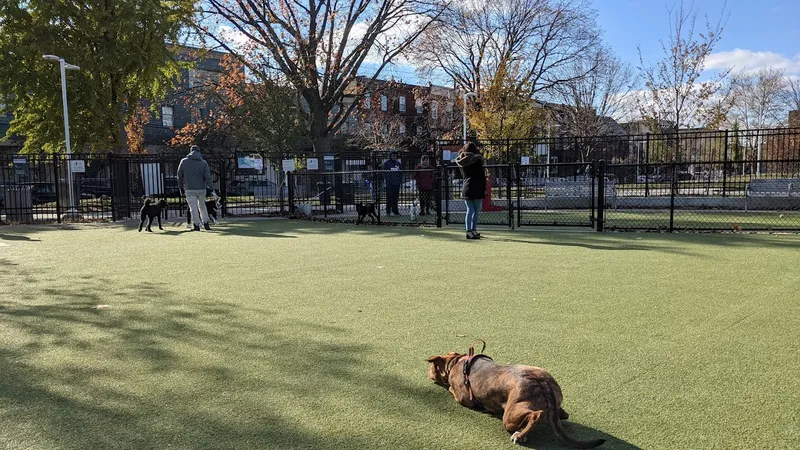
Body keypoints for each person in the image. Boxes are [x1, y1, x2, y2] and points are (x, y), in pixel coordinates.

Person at [177, 144, 214, 231]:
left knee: (193, 207)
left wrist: (181, 187)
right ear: (199, 152)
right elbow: (207, 177)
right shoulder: (203, 162)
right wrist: (210, 188)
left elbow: (179, 176)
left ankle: (196, 225)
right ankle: (206, 223)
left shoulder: (184, 161)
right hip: (201, 188)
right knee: (202, 206)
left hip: (189, 188)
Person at [455, 142, 486, 239]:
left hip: (467, 187)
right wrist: (484, 188)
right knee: (476, 210)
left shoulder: (461, 162)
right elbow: (481, 175)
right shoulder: (477, 160)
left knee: (469, 210)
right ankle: (473, 230)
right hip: (477, 187)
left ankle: (468, 231)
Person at [383, 151, 402, 215]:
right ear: (390, 156)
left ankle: (395, 211)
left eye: (395, 155)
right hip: (389, 185)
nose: (394, 157)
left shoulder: (398, 163)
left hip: (396, 184)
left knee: (395, 198)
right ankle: (388, 211)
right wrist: (389, 180)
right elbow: (384, 173)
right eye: (393, 155)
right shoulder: (386, 163)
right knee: (389, 198)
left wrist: (399, 181)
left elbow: (401, 173)